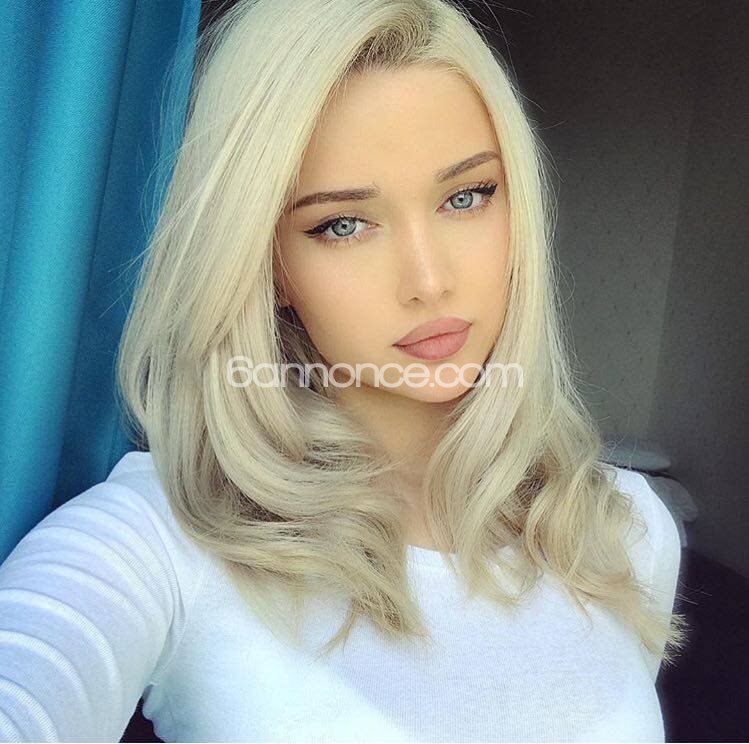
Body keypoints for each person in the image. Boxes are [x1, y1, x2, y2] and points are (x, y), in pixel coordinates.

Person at [0, 0, 689, 741]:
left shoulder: (625, 529)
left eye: (466, 197)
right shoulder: (161, 538)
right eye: (342, 224)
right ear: (269, 264)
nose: (428, 281)